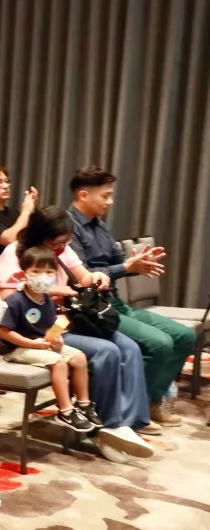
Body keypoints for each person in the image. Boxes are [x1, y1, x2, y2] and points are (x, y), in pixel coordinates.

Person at [0, 207, 156, 460]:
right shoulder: (15, 254)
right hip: (42, 331)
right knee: (107, 352)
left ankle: (130, 423)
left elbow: (83, 276)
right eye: (56, 243)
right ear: (40, 236)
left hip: (70, 321)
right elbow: (8, 299)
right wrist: (52, 290)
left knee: (129, 347)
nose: (62, 248)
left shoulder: (63, 250)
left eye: (66, 242)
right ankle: (106, 427)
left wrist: (98, 276)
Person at [66, 166, 192, 424]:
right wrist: (125, 268)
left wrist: (137, 264)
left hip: (116, 304)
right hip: (93, 310)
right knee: (160, 343)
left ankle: (150, 401)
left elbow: (118, 262)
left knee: (184, 336)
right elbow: (83, 275)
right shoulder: (68, 228)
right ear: (83, 195)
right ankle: (134, 411)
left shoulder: (100, 225)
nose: (110, 201)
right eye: (105, 195)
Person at [0, 247, 100, 433]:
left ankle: (84, 404)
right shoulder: (15, 301)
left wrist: (57, 338)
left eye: (49, 272)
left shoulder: (46, 300)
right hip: (17, 349)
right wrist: (30, 344)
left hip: (40, 345)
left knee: (79, 358)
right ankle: (65, 411)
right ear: (23, 274)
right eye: (36, 271)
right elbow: (4, 332)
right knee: (59, 363)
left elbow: (49, 327)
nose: (43, 277)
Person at [0, 164, 39, 257]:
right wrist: (26, 212)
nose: (5, 186)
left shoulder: (13, 212)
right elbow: (10, 239)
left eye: (6, 181)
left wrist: (31, 209)